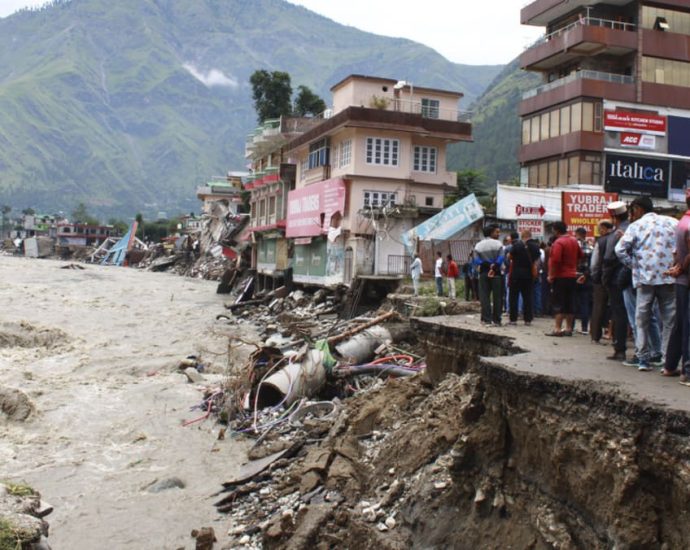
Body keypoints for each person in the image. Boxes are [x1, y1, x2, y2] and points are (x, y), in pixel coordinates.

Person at [616, 196, 677, 372]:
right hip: (668, 278)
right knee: (669, 321)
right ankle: (667, 360)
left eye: (632, 211)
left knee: (641, 320)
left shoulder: (636, 226)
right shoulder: (672, 222)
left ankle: (643, 359)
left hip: (644, 279)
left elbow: (619, 250)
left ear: (638, 209)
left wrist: (633, 264)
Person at [662, 188, 690, 380]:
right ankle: (687, 370)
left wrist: (678, 266)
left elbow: (677, 252)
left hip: (682, 280)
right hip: (687, 279)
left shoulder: (683, 221)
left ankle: (670, 365)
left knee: (680, 323)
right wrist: (681, 267)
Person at [600, 201, 631, 361]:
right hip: (635, 277)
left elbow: (609, 259)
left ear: (614, 217)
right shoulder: (634, 229)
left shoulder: (617, 234)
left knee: (619, 313)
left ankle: (619, 349)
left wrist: (605, 279)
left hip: (617, 279)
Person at [546, 221, 582, 336]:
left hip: (560, 276)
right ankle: (569, 328)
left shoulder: (559, 242)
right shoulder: (574, 240)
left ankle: (557, 328)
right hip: (572, 275)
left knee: (559, 302)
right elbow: (580, 255)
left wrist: (551, 275)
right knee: (570, 302)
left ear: (556, 230)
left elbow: (556, 260)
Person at [473, 225, 504, 326]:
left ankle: (486, 319)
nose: (498, 234)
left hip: (484, 273)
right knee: (497, 297)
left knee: (485, 297)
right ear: (491, 233)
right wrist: (494, 265)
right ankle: (497, 320)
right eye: (496, 232)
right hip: (496, 273)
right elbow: (501, 258)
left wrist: (487, 264)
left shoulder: (478, 246)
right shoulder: (498, 244)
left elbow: (477, 260)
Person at [507, 229, 540, 325]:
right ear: (530, 235)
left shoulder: (517, 245)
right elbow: (537, 259)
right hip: (529, 275)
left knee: (513, 297)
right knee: (528, 297)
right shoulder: (535, 246)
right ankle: (528, 320)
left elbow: (509, 257)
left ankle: (513, 319)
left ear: (523, 236)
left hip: (516, 274)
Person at [589, 220, 612, 343]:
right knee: (617, 308)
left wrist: (594, 275)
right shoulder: (618, 238)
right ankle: (616, 336)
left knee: (598, 306)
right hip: (615, 278)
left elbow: (594, 263)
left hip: (600, 277)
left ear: (603, 228)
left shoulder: (601, 242)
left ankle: (595, 335)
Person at [574, 227, 594, 334]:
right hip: (585, 277)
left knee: (572, 301)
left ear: (576, 234)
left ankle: (570, 326)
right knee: (584, 302)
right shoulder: (590, 247)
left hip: (573, 276)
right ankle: (585, 328)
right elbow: (592, 265)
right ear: (585, 235)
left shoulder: (572, 245)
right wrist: (586, 275)